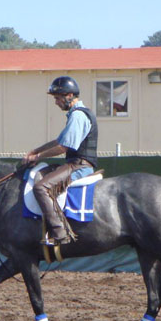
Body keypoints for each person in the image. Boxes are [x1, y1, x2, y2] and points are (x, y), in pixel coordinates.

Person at [23, 76, 98, 246]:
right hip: (73, 163)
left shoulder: (78, 116)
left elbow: (63, 147)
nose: (56, 102)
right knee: (39, 174)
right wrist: (36, 151)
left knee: (41, 187)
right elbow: (58, 141)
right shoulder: (75, 114)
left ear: (69, 95)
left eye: (58, 98)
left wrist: (38, 157)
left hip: (79, 166)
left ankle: (59, 233)